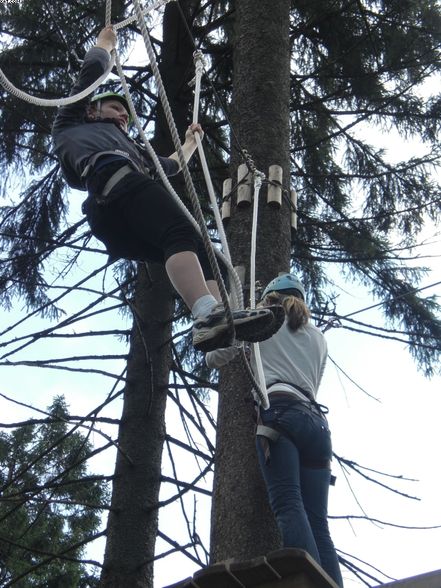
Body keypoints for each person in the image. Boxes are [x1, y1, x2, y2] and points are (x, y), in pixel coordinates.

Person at [52, 26, 280, 352]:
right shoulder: (70, 125)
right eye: (116, 108)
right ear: (92, 110)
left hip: (114, 214)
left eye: (127, 112)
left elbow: (170, 166)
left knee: (202, 252)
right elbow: (91, 74)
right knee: (180, 232)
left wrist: (190, 143)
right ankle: (206, 314)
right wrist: (105, 44)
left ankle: (217, 322)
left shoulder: (134, 151)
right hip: (118, 189)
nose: (123, 115)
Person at [205, 273, 343, 587]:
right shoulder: (318, 337)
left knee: (288, 502)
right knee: (318, 522)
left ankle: (308, 582)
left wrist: (235, 320)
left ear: (269, 298)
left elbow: (216, 357)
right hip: (316, 424)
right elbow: (313, 384)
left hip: (278, 412)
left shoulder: (262, 320)